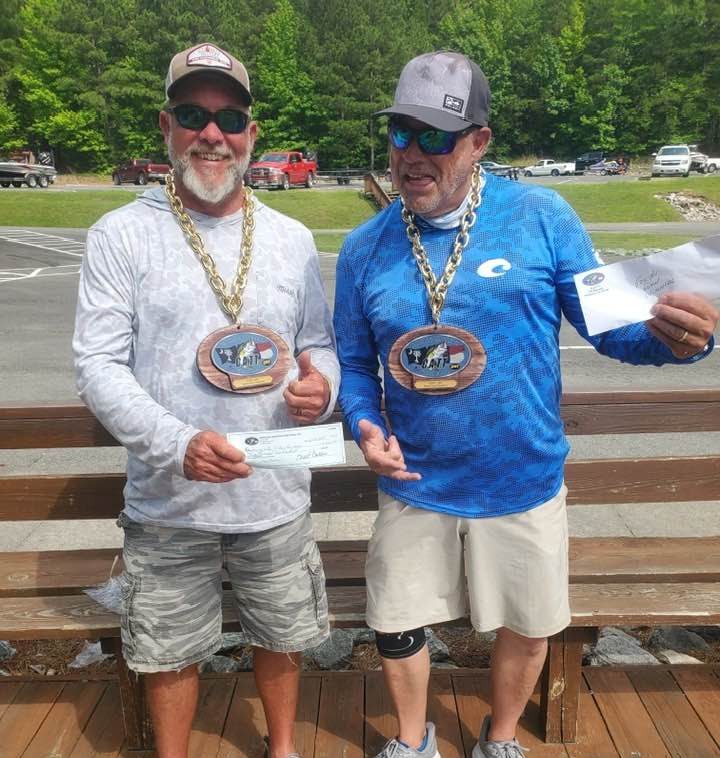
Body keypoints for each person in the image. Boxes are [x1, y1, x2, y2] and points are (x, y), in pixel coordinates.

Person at [333, 50, 718, 758]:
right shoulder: (364, 249)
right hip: (415, 480)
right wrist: (363, 422)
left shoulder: (542, 217)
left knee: (530, 623)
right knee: (396, 621)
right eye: (400, 133)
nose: (412, 153)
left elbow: (612, 330)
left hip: (522, 477)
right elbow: (355, 365)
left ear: (479, 141)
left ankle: (501, 737)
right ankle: (413, 741)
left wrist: (679, 341)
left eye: (435, 136)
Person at [73, 42, 339, 758]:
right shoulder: (121, 235)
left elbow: (319, 343)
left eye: (230, 119)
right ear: (167, 127)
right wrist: (176, 443)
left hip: (273, 488)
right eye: (193, 115)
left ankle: (282, 748)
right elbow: (97, 365)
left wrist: (323, 386)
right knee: (168, 650)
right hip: (170, 499)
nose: (212, 134)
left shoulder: (291, 238)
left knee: (282, 635)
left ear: (253, 133)